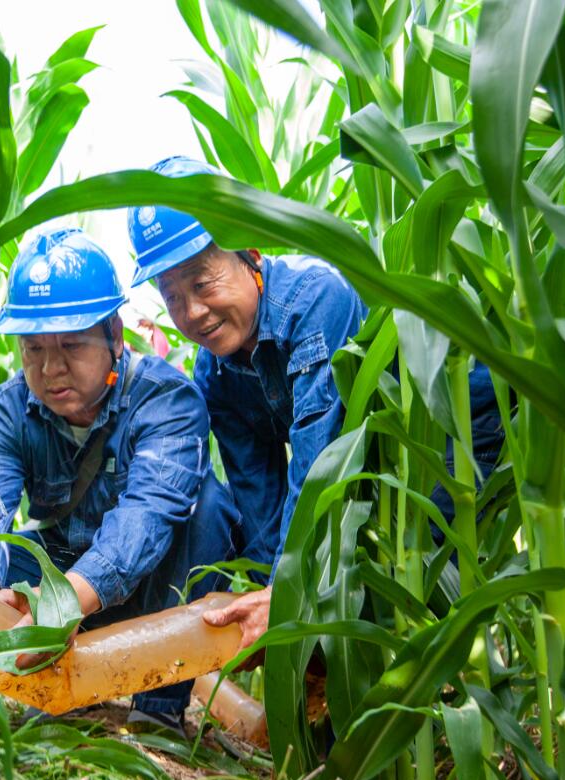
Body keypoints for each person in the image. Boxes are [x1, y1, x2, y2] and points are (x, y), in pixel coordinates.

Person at [126, 156, 505, 656]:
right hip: (373, 458)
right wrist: (262, 592)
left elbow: (317, 456)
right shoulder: (214, 371)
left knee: (416, 567)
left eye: (201, 283)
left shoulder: (315, 300)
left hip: (448, 431)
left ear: (250, 253)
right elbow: (256, 490)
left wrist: (282, 592)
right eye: (172, 297)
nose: (192, 313)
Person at [0, 226, 239, 732]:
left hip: (144, 585)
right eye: (33, 349)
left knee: (211, 510)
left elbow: (145, 518)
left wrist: (64, 602)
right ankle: (52, 687)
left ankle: (159, 710)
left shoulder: (167, 400)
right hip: (63, 571)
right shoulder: (5, 413)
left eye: (72, 346)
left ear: (115, 338)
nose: (51, 368)